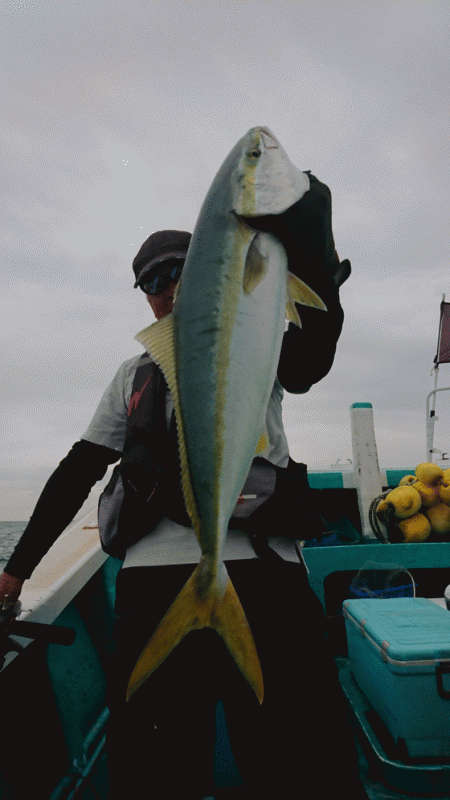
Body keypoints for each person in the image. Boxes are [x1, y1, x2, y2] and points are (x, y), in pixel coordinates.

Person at [0, 205, 368, 798]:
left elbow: (310, 358)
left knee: (302, 761)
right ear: (143, 298)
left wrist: (313, 252)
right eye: (152, 281)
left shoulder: (258, 340)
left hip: (263, 567)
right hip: (154, 584)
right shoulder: (132, 376)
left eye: (181, 271)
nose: (168, 288)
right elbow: (78, 471)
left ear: (211, 274)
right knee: (155, 769)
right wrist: (15, 574)